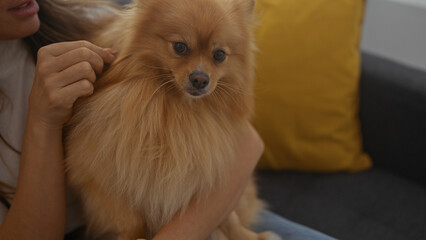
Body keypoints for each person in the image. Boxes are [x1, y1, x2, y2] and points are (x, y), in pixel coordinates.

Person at [0, 0, 336, 239]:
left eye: (218, 56)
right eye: (180, 48)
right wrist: (43, 122)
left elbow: (248, 143)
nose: (202, 73)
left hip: (213, 210)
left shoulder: (82, 15)